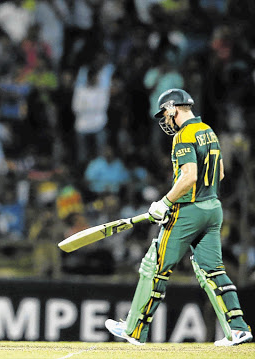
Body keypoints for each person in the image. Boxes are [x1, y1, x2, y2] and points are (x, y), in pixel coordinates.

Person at [105, 89, 252, 346]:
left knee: (155, 267)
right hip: (213, 208)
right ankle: (238, 329)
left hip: (188, 211)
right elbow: (220, 173)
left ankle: (134, 330)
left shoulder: (184, 135)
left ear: (173, 108)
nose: (165, 120)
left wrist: (165, 202)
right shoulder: (208, 130)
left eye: (165, 113)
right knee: (214, 271)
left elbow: (189, 176)